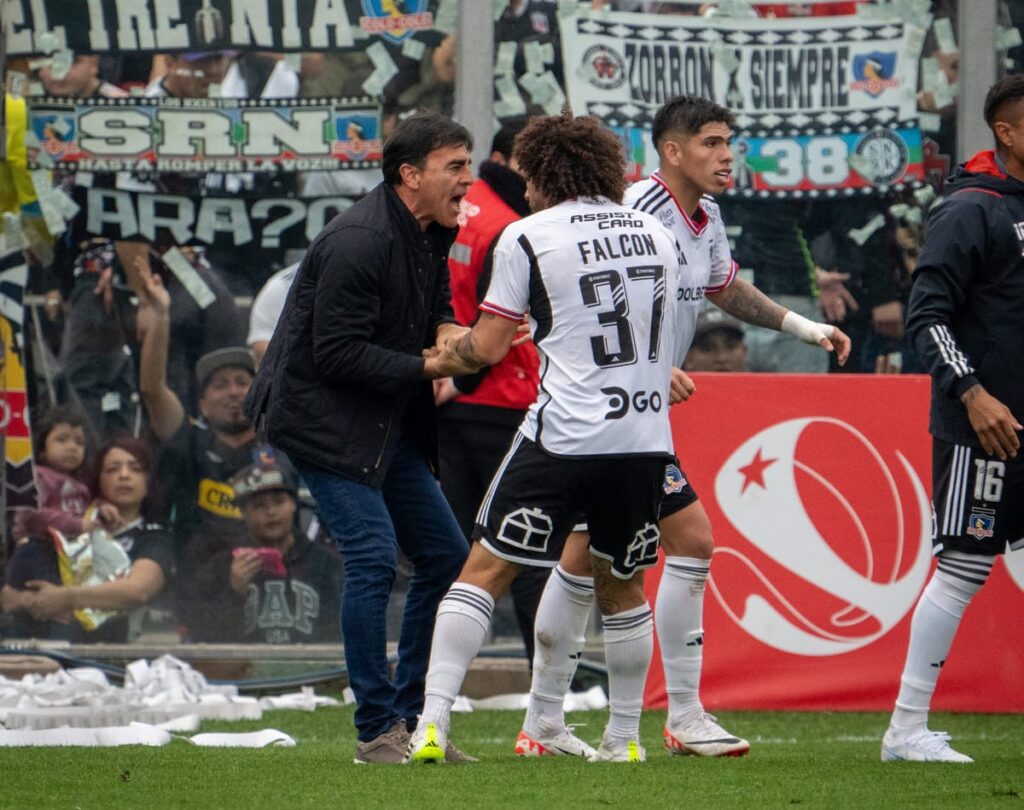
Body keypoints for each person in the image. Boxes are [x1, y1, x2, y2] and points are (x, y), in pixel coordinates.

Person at [515, 95, 849, 761]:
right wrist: (646, 366)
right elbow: (584, 299)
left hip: (637, 418)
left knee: (590, 555)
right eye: (713, 143)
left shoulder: (707, 215)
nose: (729, 155)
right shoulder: (637, 208)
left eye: (732, 142)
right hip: (603, 411)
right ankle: (675, 715)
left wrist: (803, 326)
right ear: (673, 150)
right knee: (685, 541)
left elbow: (724, 286)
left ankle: (545, 723)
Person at [404, 109, 683, 765]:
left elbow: (490, 346)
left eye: (525, 175)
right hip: (642, 438)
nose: (520, 186)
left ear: (542, 173)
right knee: (622, 590)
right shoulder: (655, 232)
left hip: (563, 433)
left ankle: (431, 725)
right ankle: (622, 740)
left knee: (484, 571)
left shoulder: (529, 235)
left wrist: (442, 352)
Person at [245, 112, 474, 764]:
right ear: (411, 175)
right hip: (324, 422)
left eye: (467, 163)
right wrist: (429, 365)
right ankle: (377, 730)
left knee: (445, 557)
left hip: (381, 420)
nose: (467, 178)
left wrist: (452, 333)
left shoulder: (432, 231)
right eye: (454, 166)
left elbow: (434, 311)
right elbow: (337, 352)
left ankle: (412, 718)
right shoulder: (360, 240)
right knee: (373, 558)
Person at [881, 75, 1024, 764]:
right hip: (985, 425)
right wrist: (972, 392)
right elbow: (925, 315)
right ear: (1008, 133)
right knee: (965, 566)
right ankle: (905, 732)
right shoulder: (971, 207)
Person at [437, 119, 547, 663]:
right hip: (498, 400)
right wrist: (459, 379)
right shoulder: (510, 226)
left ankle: (435, 684)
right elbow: (491, 331)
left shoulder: (460, 208)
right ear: (506, 161)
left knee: (453, 552)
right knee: (524, 550)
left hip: (451, 402)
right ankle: (550, 687)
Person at [133, 260, 274, 640]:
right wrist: (161, 316)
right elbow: (151, 390)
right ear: (203, 402)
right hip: (203, 605)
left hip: (276, 604)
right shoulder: (191, 442)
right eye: (220, 384)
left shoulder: (280, 446)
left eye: (243, 382)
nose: (233, 391)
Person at [2, 436, 173, 642]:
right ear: (97, 479)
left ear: (148, 482)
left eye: (135, 469)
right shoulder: (71, 527)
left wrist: (66, 598)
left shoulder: (154, 536)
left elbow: (137, 591)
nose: (124, 476)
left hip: (111, 655)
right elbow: (8, 596)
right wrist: (33, 601)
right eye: (112, 469)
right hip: (41, 647)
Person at [216, 460, 343, 643]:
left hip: (314, 668)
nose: (271, 512)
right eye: (259, 505)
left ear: (293, 504)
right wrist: (233, 591)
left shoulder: (326, 563)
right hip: (246, 668)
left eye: (279, 501)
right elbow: (209, 634)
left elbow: (338, 634)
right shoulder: (224, 564)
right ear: (243, 512)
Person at [9, 405, 106, 543]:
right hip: (37, 545)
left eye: (79, 442)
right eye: (62, 439)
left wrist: (103, 509)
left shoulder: (83, 483)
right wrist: (76, 525)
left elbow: (90, 511)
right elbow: (33, 514)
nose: (72, 447)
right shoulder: (37, 476)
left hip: (75, 550)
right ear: (42, 449)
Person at [683, 311, 748, 372]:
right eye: (708, 349)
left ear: (744, 352)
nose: (722, 358)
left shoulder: (757, 384)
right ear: (688, 358)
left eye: (731, 347)